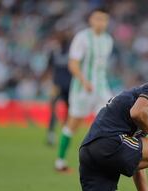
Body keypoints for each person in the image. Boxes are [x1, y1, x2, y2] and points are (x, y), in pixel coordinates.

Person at [55, 7, 114, 171]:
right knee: (73, 124)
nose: (100, 23)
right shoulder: (82, 38)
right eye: (97, 19)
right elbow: (72, 64)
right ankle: (60, 161)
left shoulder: (108, 40)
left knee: (107, 122)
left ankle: (100, 162)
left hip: (102, 89)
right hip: (82, 89)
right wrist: (84, 81)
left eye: (104, 19)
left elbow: (101, 67)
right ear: (91, 20)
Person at [45, 30, 72, 146]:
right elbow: (49, 67)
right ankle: (53, 134)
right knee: (53, 109)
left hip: (67, 86)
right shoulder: (54, 52)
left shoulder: (71, 52)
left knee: (68, 111)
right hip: (58, 86)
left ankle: (63, 133)